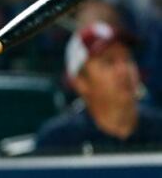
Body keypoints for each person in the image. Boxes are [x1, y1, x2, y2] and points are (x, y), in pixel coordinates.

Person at [35, 22, 162, 155]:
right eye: (109, 62)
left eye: (127, 59)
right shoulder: (59, 140)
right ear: (80, 82)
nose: (123, 70)